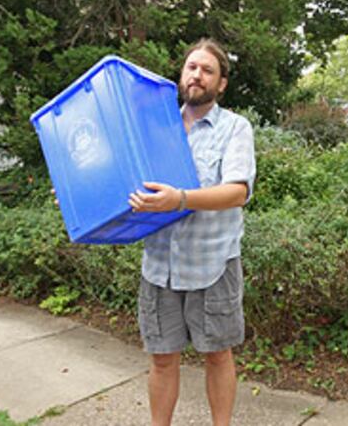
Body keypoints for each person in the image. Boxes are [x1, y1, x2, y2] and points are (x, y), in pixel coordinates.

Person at [128, 38, 256, 426]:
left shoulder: (235, 128)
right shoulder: (156, 129)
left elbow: (238, 191)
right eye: (191, 67)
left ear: (221, 85)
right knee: (162, 358)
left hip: (212, 263)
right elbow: (127, 181)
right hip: (160, 264)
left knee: (217, 354)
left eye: (207, 70)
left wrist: (180, 198)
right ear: (181, 75)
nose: (197, 74)